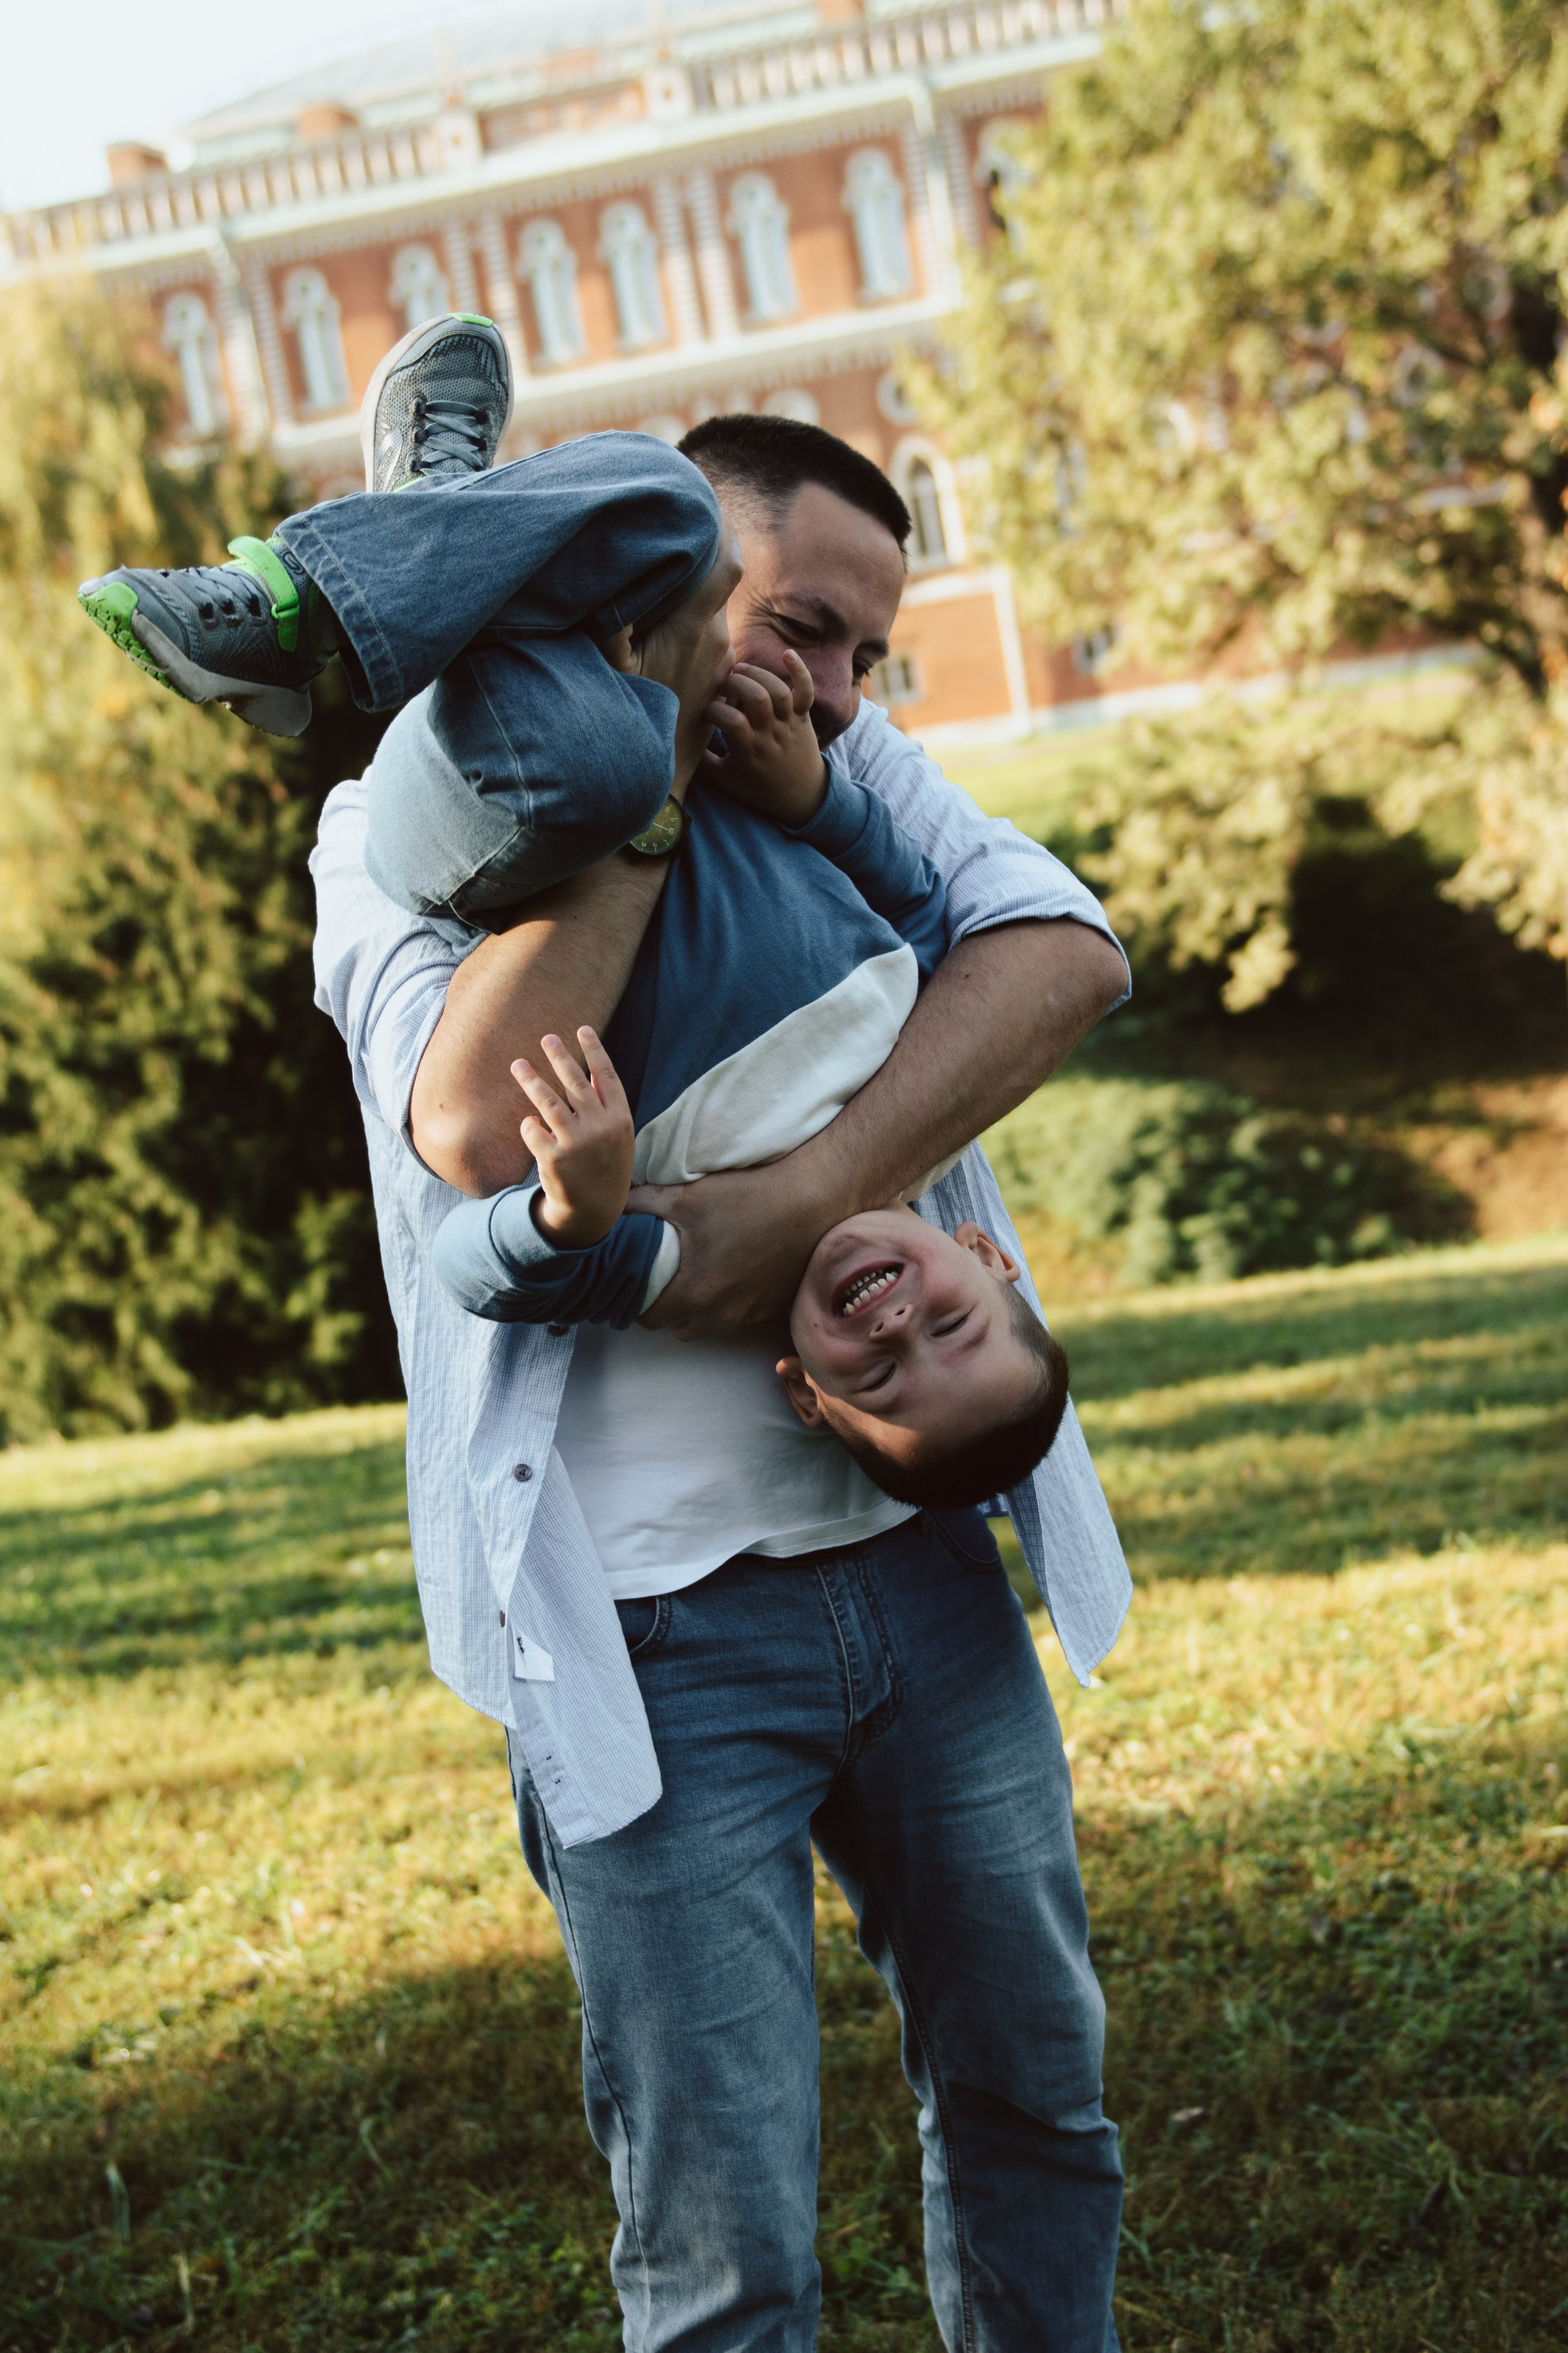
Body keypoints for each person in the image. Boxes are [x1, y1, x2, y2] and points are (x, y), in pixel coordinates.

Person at [306, 320, 1133, 2349]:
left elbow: (1062, 956)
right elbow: (479, 1125)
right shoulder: (396, 828)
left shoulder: (847, 761)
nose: (837, 692)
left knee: (1036, 2096)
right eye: (804, 626)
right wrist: (652, 805)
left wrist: (792, 1203)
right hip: (658, 1632)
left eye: (870, 656)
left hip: (926, 1577)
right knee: (725, 2232)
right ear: (673, 569)